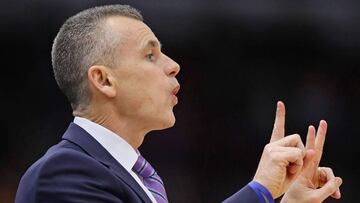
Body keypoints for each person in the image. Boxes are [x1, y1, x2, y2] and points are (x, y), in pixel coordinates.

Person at [15, 5, 342, 203]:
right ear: (104, 80)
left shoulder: (129, 174)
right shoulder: (62, 174)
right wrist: (259, 191)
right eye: (150, 54)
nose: (173, 65)